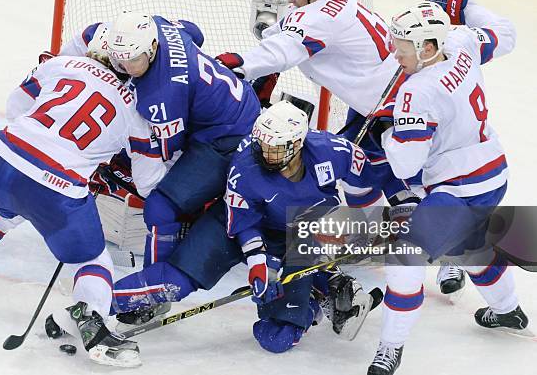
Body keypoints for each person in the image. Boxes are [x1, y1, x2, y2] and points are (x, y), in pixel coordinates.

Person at [217, 0, 464, 295]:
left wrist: (242, 65)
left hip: (397, 104)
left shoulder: (320, 16)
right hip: (370, 102)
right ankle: (371, 233)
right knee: (364, 174)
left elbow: (285, 50)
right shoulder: (329, 2)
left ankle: (452, 253)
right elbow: (282, 34)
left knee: (415, 179)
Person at [0, 50, 168, 368]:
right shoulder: (138, 109)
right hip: (54, 186)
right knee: (93, 259)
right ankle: (92, 322)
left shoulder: (64, 62)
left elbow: (15, 108)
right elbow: (147, 179)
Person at [109, 101, 391, 353]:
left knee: (276, 338)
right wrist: (258, 261)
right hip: (236, 225)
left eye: (274, 148)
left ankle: (319, 296)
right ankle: (101, 302)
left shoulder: (333, 150)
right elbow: (243, 219)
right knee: (177, 281)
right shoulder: (246, 163)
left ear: (297, 144)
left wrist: (407, 202)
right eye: (263, 145)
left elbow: (379, 172)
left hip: (301, 234)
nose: (265, 152)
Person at [365, 0, 529, 375]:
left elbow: (406, 166)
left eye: (403, 47)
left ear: (426, 47)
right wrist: (465, 3)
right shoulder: (461, 41)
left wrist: (388, 133)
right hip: (494, 173)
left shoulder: (415, 92)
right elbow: (504, 32)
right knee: (470, 249)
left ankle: (390, 349)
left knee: (405, 261)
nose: (395, 54)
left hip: (458, 189)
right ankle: (507, 310)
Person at [104, 11, 261, 271]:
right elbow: (195, 31)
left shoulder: (160, 96)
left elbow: (168, 152)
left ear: (152, 48)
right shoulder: (159, 26)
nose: (124, 68)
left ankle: (154, 287)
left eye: (132, 60)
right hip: (242, 100)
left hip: (228, 137)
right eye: (117, 59)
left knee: (159, 206)